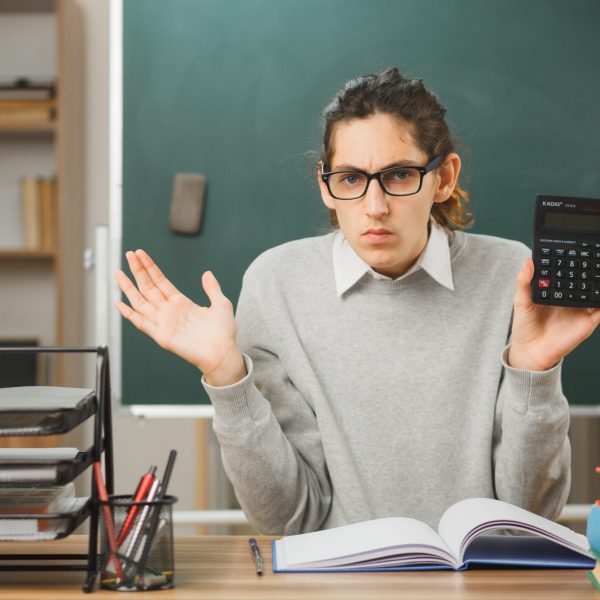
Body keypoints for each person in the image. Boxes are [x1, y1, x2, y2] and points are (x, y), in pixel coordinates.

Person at [115, 67, 600, 535]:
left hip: (477, 584)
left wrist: (533, 372)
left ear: (444, 178)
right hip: (340, 585)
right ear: (325, 184)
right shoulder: (276, 284)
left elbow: (529, 516)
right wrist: (227, 376)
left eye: (398, 175)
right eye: (350, 179)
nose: (374, 207)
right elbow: (286, 520)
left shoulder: (510, 278)